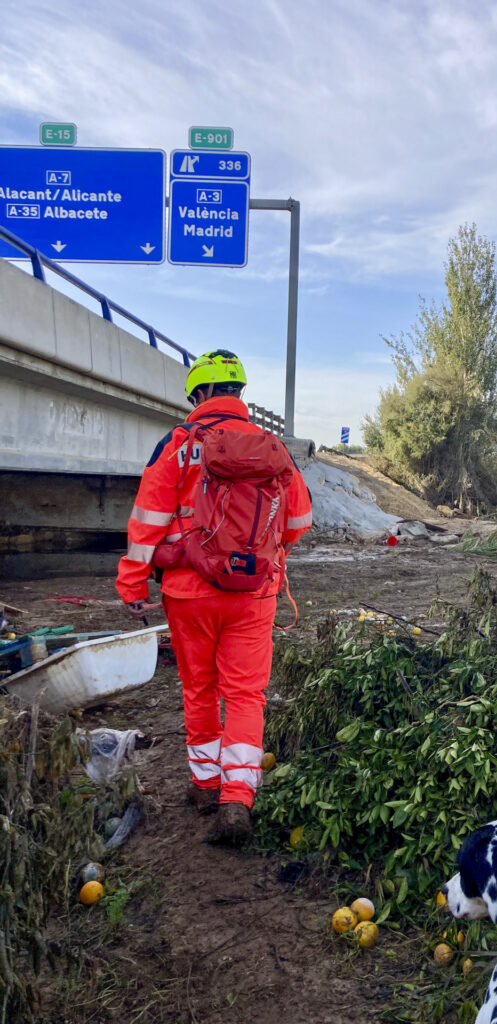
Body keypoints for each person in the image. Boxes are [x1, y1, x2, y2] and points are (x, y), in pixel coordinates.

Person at [116, 350, 312, 844]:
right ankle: (237, 801)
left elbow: (146, 523)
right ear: (239, 394)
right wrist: (258, 551)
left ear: (199, 395)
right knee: (246, 694)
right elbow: (298, 522)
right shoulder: (272, 447)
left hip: (187, 593)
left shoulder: (177, 444)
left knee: (199, 688)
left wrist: (133, 582)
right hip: (254, 593)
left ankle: (204, 786)